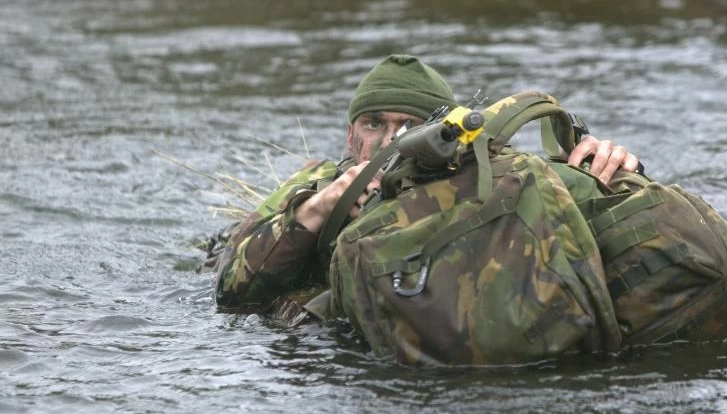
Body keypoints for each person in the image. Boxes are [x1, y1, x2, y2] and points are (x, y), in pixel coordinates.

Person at [211, 54, 641, 324]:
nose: (388, 141)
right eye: (373, 124)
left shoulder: (481, 179)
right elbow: (231, 290)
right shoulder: (318, 186)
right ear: (350, 137)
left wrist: (607, 169)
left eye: (410, 126)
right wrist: (318, 210)